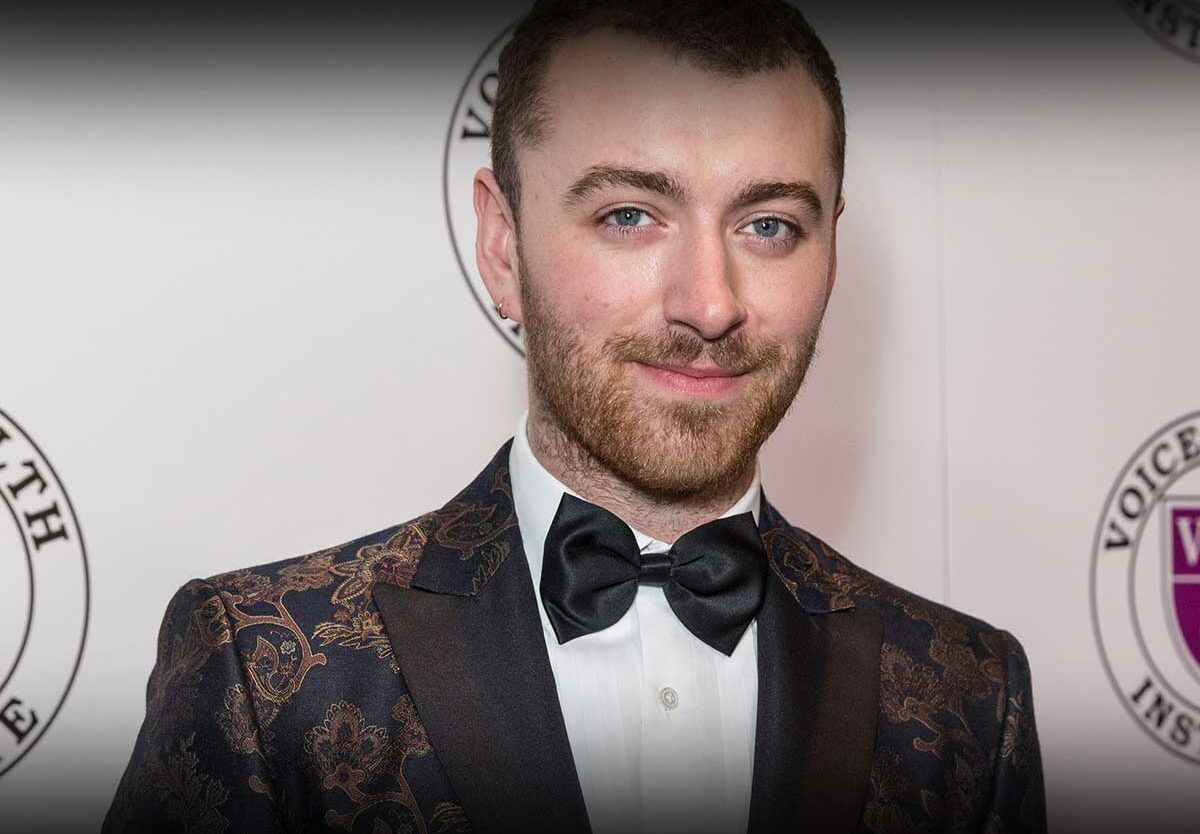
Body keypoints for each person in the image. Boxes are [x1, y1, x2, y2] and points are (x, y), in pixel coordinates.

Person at [104, 1, 1046, 832]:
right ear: (502, 246)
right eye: (630, 215)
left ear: (831, 251)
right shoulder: (263, 673)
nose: (709, 304)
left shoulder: (969, 692)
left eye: (769, 226)